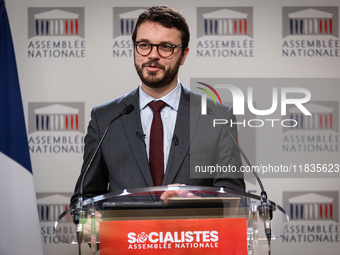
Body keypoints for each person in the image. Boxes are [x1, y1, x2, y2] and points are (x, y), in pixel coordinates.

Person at [70, 5, 245, 206]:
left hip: (191, 235)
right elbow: (84, 198)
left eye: (165, 47)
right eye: (144, 45)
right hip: (127, 237)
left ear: (184, 55)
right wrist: (91, 219)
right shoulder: (105, 118)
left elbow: (235, 197)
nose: (153, 55)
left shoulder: (216, 116)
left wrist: (194, 200)